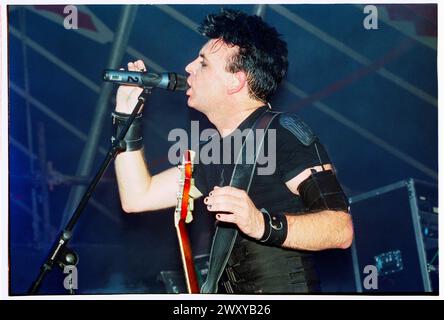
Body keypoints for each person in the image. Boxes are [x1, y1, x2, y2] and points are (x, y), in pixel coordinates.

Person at [113, 9, 353, 294]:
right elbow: (137, 197)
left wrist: (260, 223)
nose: (189, 67)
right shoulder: (215, 152)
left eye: (203, 63)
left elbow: (341, 229)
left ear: (236, 80)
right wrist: (125, 116)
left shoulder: (283, 133)